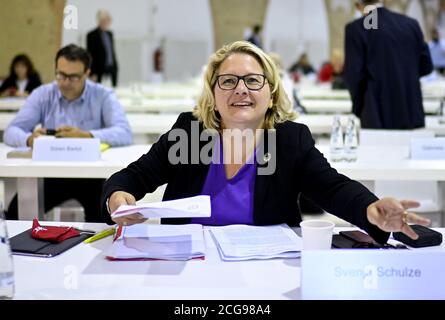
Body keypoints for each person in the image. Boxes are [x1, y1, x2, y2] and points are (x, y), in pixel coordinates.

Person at [101, 40, 429, 244]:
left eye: (253, 81)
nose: (240, 89)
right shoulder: (191, 132)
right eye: (228, 81)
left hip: (265, 270)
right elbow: (134, 176)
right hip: (187, 264)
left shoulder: (288, 140)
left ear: (270, 94)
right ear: (214, 95)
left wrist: (369, 208)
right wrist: (118, 196)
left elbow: (332, 188)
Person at [3, 44, 132, 222]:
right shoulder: (43, 94)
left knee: (105, 219)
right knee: (16, 212)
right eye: (60, 75)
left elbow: (124, 132)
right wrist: (29, 139)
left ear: (87, 73)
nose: (65, 82)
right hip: (50, 174)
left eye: (73, 77)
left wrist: (86, 135)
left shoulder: (102, 95)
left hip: (91, 176)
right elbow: (12, 130)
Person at [344, 0, 433, 129]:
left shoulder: (356, 29)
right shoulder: (411, 24)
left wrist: (359, 109)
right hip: (411, 109)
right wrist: (406, 78)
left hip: (375, 112)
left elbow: (354, 75)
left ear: (358, 6)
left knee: (378, 149)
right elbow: (426, 66)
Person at [86, 10, 118, 87]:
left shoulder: (110, 34)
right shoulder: (91, 35)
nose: (106, 22)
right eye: (104, 20)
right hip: (98, 70)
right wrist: (92, 72)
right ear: (99, 21)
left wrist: (115, 65)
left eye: (108, 19)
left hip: (111, 68)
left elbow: (111, 51)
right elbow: (90, 54)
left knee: (112, 90)